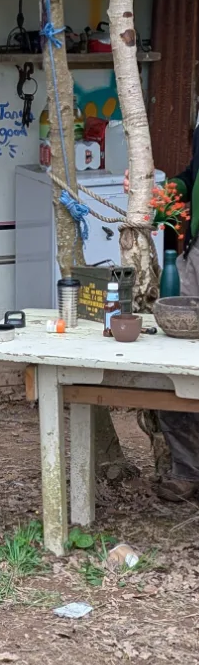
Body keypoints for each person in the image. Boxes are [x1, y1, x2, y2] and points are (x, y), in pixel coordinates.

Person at [126, 121, 200, 500]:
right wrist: (158, 194)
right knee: (175, 363)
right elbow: (192, 175)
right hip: (197, 254)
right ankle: (187, 471)